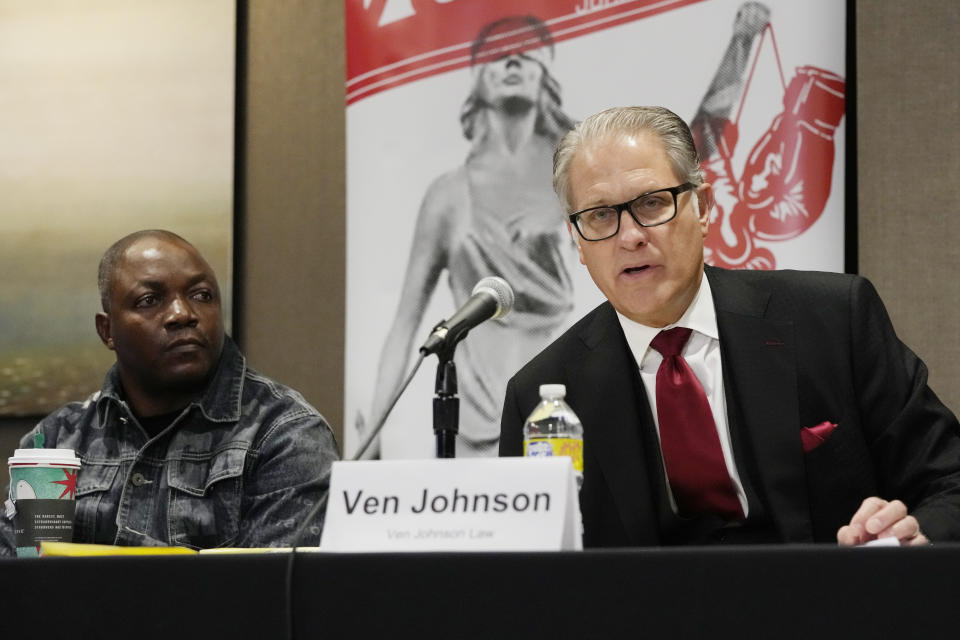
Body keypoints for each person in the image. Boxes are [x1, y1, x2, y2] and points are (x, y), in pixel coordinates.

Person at [500, 106, 960, 547]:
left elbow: (948, 479)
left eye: (652, 203)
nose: (630, 235)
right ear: (577, 241)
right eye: (600, 215)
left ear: (702, 207)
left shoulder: (834, 320)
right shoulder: (542, 393)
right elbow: (529, 566)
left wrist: (913, 535)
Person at [0, 230, 339, 553]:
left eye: (202, 295)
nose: (182, 314)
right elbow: (21, 583)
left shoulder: (285, 435)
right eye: (150, 300)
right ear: (108, 331)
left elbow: (273, 597)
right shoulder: (56, 440)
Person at [360, 15, 576, 458]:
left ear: (544, 77)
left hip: (560, 407)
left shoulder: (572, 182)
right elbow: (405, 324)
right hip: (475, 413)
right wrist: (371, 439)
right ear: (478, 81)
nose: (512, 59)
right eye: (498, 54)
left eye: (525, 52)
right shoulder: (447, 196)